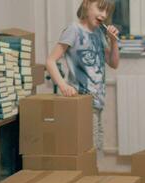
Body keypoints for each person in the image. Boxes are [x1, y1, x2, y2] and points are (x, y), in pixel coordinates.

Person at [46, 0, 120, 155]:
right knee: (89, 150)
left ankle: (93, 177)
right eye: (100, 9)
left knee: (97, 148)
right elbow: (50, 61)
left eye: (107, 12)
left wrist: (113, 42)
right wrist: (63, 85)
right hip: (83, 101)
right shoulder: (73, 30)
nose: (104, 15)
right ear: (87, 4)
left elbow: (113, 63)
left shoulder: (99, 32)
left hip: (98, 101)